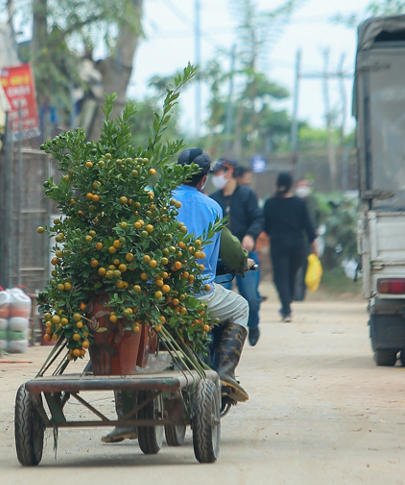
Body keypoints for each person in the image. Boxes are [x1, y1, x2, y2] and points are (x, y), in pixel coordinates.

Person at [103, 148, 251, 443]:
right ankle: (224, 372)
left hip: (152, 296)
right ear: (204, 179)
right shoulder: (212, 208)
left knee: (127, 336)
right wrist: (244, 262)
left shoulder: (155, 203)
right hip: (197, 293)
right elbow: (231, 251)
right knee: (241, 307)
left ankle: (128, 417)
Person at [209, 159, 265, 346]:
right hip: (220, 259)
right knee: (220, 298)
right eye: (214, 173)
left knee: (250, 296)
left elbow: (258, 218)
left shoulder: (247, 195)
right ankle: (221, 341)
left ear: (230, 172)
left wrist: (250, 235)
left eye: (219, 172)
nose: (216, 176)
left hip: (246, 254)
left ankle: (254, 323)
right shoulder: (213, 199)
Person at [263, 172, 317, 322]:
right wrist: (314, 244)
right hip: (297, 245)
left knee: (280, 277)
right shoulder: (299, 203)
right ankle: (288, 301)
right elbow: (308, 225)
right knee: (291, 275)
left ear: (276, 183)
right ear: (292, 185)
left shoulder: (270, 203)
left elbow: (265, 227)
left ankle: (286, 309)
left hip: (278, 244)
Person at [292, 179, 322, 302]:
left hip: (308, 240)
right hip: (294, 240)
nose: (303, 188)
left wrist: (314, 237)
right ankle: (294, 295)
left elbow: (317, 218)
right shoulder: (292, 201)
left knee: (304, 267)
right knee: (295, 268)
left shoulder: (313, 202)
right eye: (300, 186)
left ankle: (300, 296)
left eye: (305, 186)